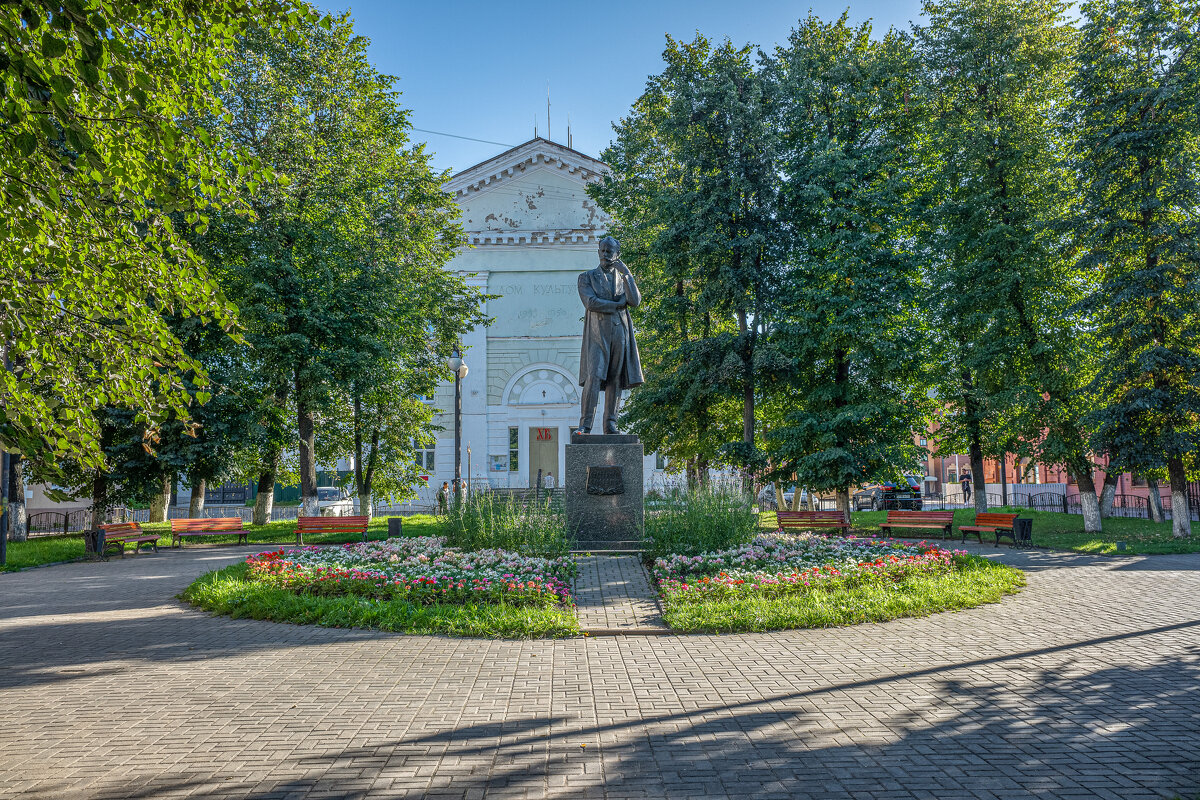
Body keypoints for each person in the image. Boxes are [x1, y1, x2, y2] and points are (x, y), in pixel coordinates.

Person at [576, 236, 644, 435]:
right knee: (594, 376)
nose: (605, 254)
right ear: (598, 252)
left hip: (619, 332)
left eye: (609, 251)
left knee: (615, 378)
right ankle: (585, 425)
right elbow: (591, 303)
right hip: (597, 334)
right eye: (602, 250)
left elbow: (635, 301)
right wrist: (616, 305)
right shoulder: (586, 277)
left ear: (617, 254)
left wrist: (628, 274)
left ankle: (610, 424)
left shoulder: (623, 279)